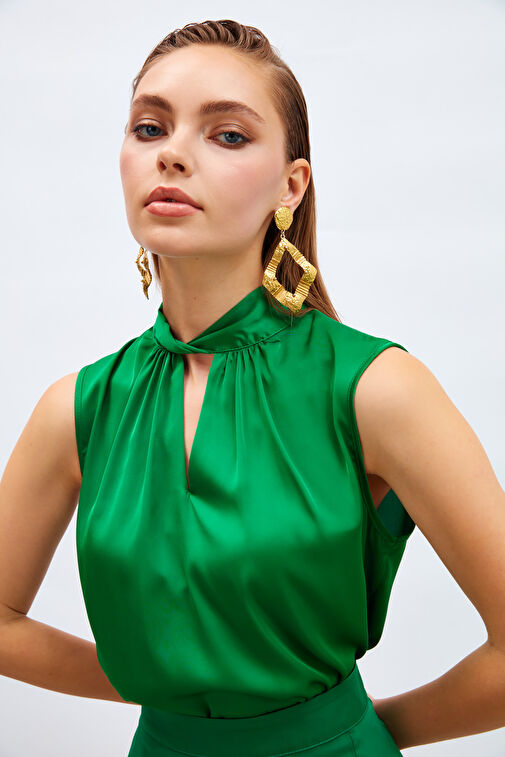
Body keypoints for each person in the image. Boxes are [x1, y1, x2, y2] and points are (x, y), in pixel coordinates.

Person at [1, 18, 505, 757]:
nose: (171, 153)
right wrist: (153, 679)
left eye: (228, 135)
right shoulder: (77, 409)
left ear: (290, 186)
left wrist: (354, 731)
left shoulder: (376, 389)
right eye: (149, 127)